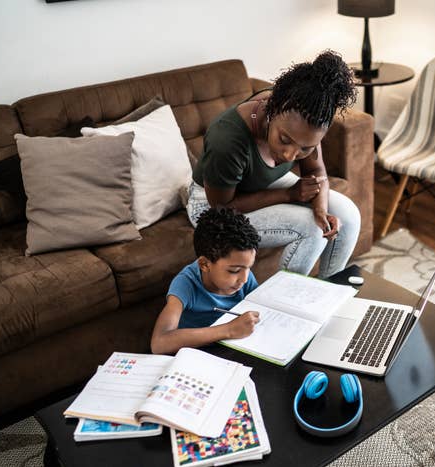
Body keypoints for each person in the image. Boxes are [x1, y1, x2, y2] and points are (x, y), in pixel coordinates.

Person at [186, 50, 361, 279]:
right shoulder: (227, 140)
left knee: (348, 215)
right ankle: (282, 306)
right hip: (211, 206)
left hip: (264, 185)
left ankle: (330, 289)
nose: (290, 155)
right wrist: (289, 195)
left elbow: (317, 173)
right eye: (284, 140)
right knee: (311, 230)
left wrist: (320, 209)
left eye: (305, 148)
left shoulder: (305, 118)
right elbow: (221, 207)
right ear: (272, 111)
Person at [151, 208, 261, 355]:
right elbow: (159, 344)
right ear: (204, 264)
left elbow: (261, 309)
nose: (245, 279)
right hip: (198, 353)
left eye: (248, 268)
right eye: (234, 271)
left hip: (236, 346)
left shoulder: (243, 276)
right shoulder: (185, 284)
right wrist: (228, 330)